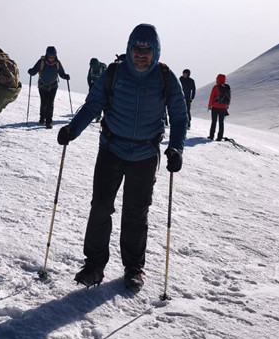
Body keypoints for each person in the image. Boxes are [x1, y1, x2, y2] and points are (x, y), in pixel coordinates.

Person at [56, 24, 187, 291]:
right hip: (111, 150)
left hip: (145, 155)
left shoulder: (165, 77)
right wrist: (73, 129)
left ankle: (134, 268)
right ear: (128, 49)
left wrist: (176, 148)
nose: (140, 55)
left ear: (155, 51)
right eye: (136, 49)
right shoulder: (114, 73)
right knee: (101, 207)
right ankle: (94, 266)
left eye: (146, 50)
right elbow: (93, 104)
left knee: (135, 214)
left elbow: (179, 115)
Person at [27, 46, 70, 129]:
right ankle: (42, 118)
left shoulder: (57, 63)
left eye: (53, 57)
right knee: (43, 103)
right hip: (42, 86)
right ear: (47, 55)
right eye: (50, 56)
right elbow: (35, 70)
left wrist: (65, 76)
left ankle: (49, 121)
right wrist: (32, 71)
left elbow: (61, 73)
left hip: (53, 86)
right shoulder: (41, 62)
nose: (51, 58)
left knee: (50, 104)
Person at [207, 73, 231, 141]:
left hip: (215, 106)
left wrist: (209, 106)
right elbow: (229, 97)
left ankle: (211, 136)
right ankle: (219, 137)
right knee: (221, 122)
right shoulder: (227, 87)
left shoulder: (216, 87)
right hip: (223, 107)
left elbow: (211, 97)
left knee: (214, 122)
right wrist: (226, 106)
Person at [87, 58, 107, 122]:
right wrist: (90, 86)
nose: (91, 66)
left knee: (102, 102)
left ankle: (103, 116)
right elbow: (89, 77)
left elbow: (107, 79)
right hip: (94, 86)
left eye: (92, 65)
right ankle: (97, 115)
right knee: (94, 101)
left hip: (103, 88)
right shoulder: (91, 68)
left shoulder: (103, 68)